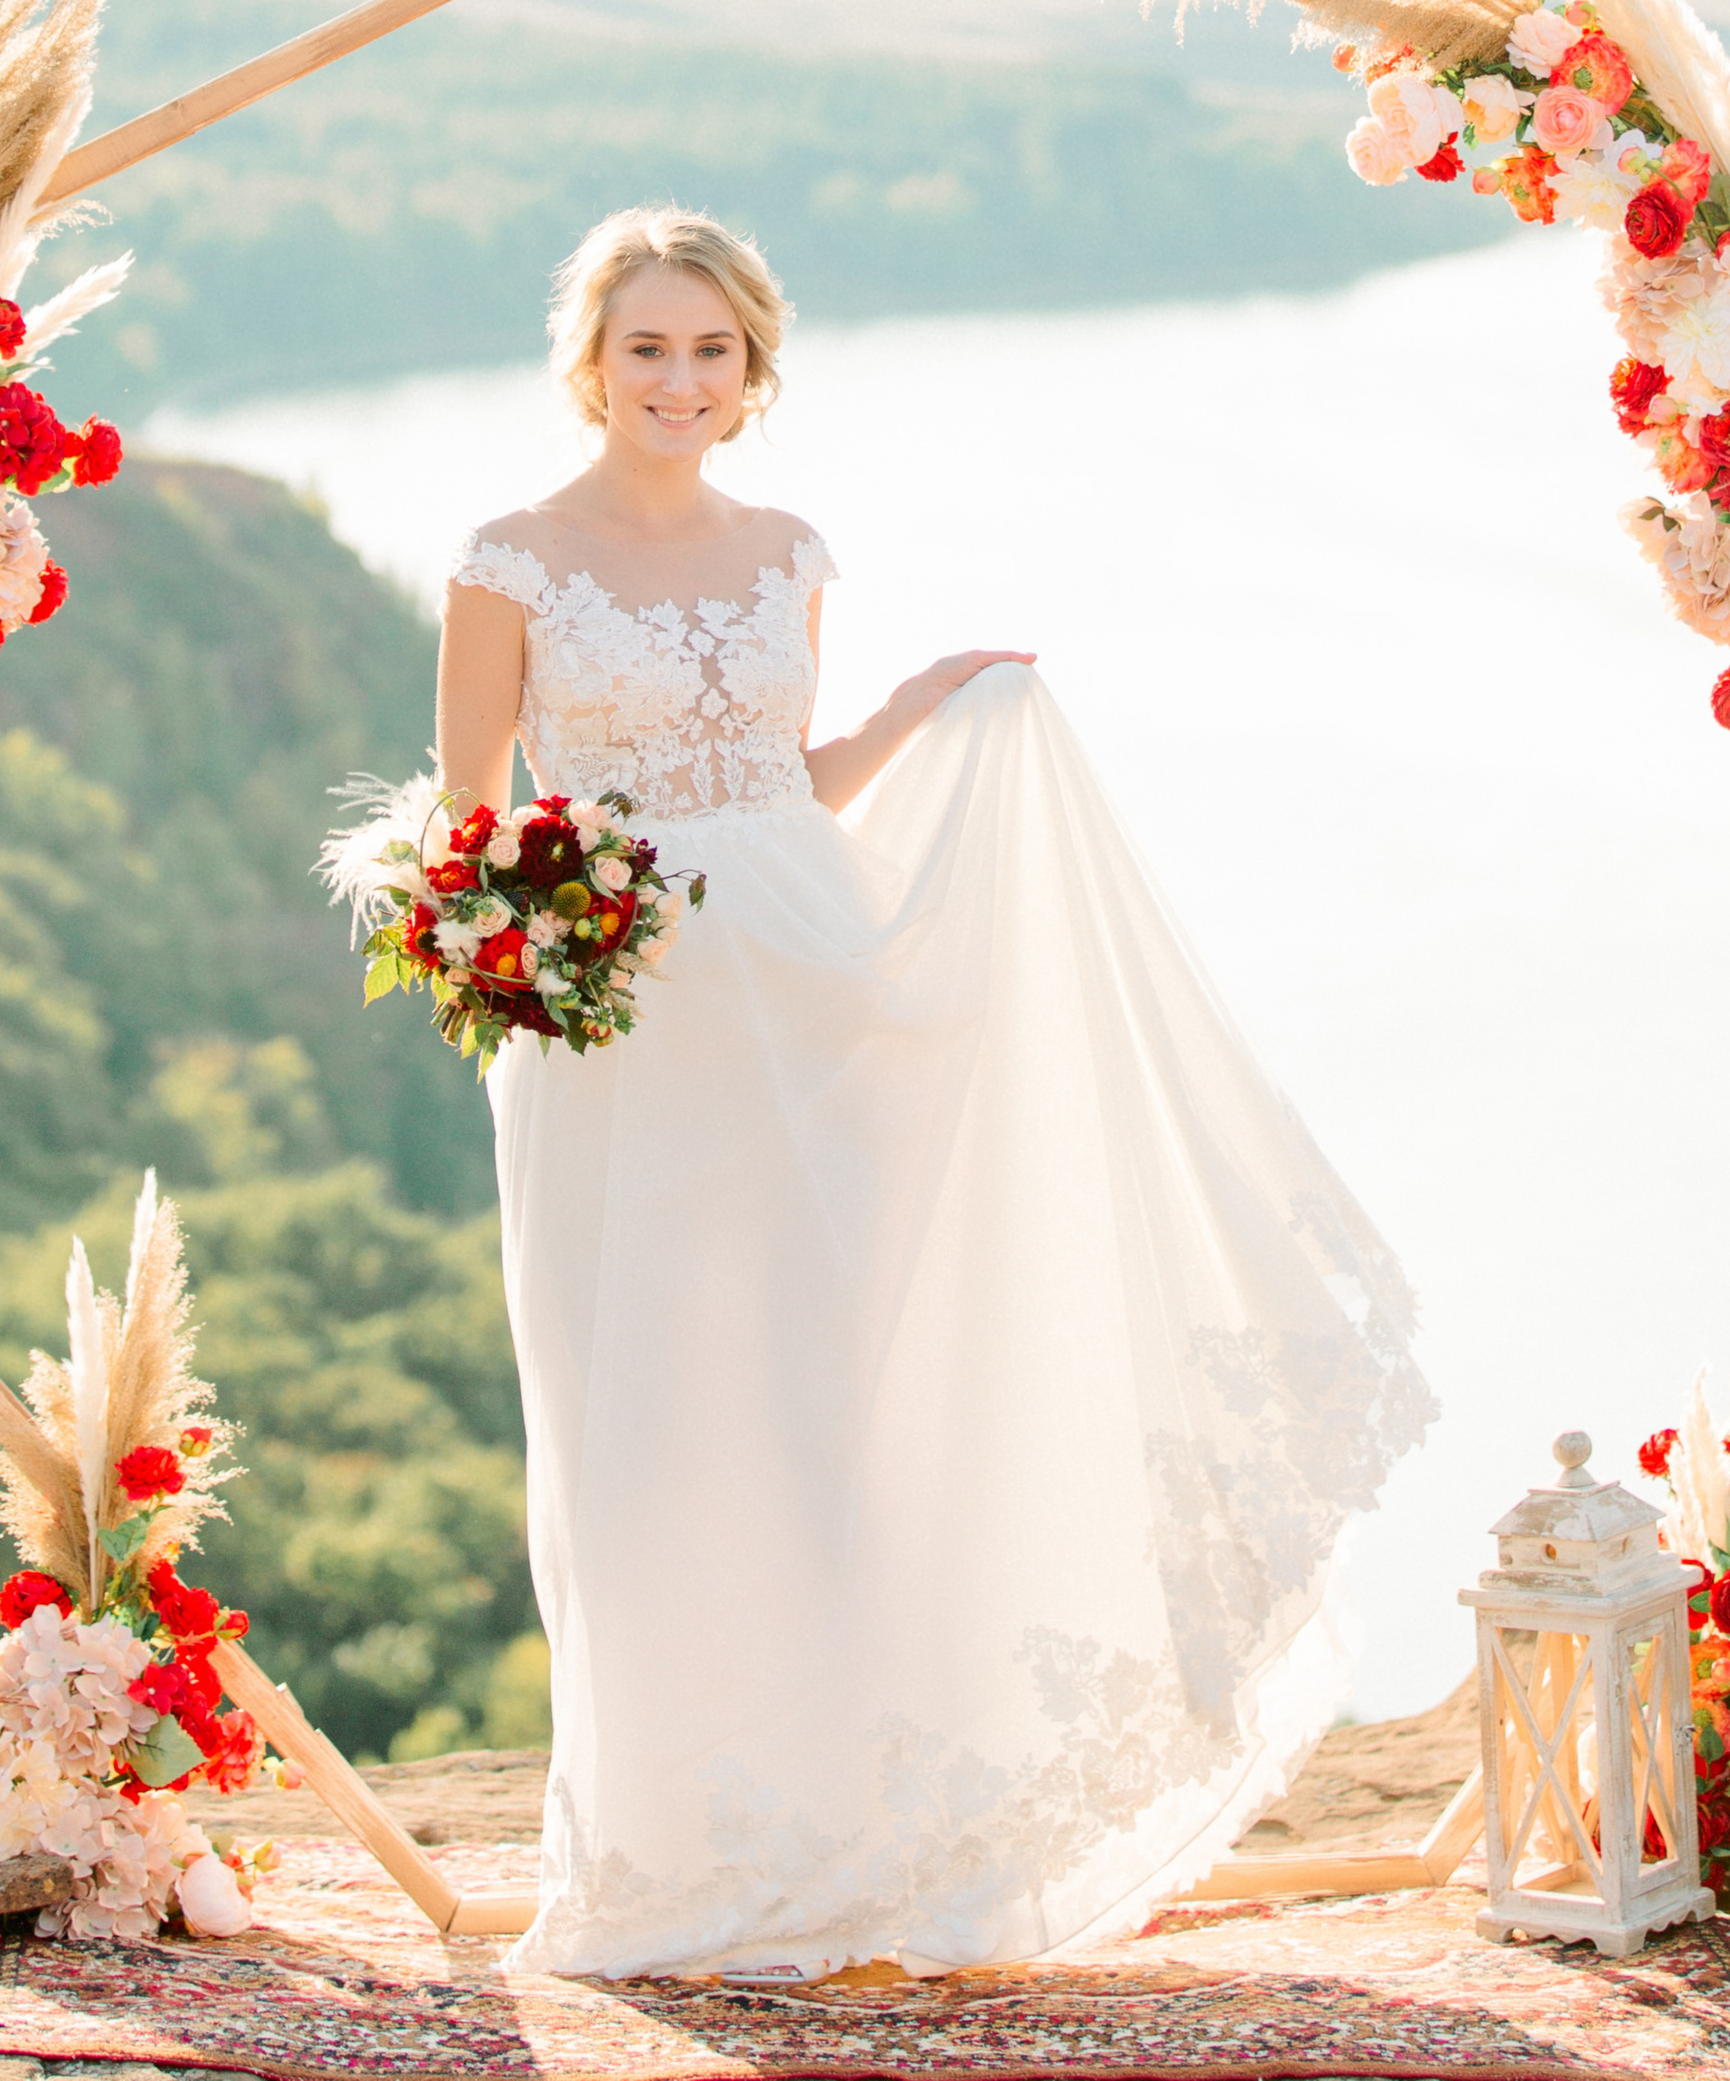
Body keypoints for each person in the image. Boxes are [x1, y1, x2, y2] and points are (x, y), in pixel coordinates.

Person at [437, 203, 1432, 1981]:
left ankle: (867, 1846)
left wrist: (911, 708)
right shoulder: (507, 562)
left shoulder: (789, 548)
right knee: (643, 1424)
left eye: (712, 351)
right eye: (647, 347)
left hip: (819, 1002)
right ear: (589, 361)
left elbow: (778, 784)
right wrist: (557, 943)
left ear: (754, 372)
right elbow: (468, 834)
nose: (678, 380)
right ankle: (665, 1860)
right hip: (617, 1028)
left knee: (836, 1415)